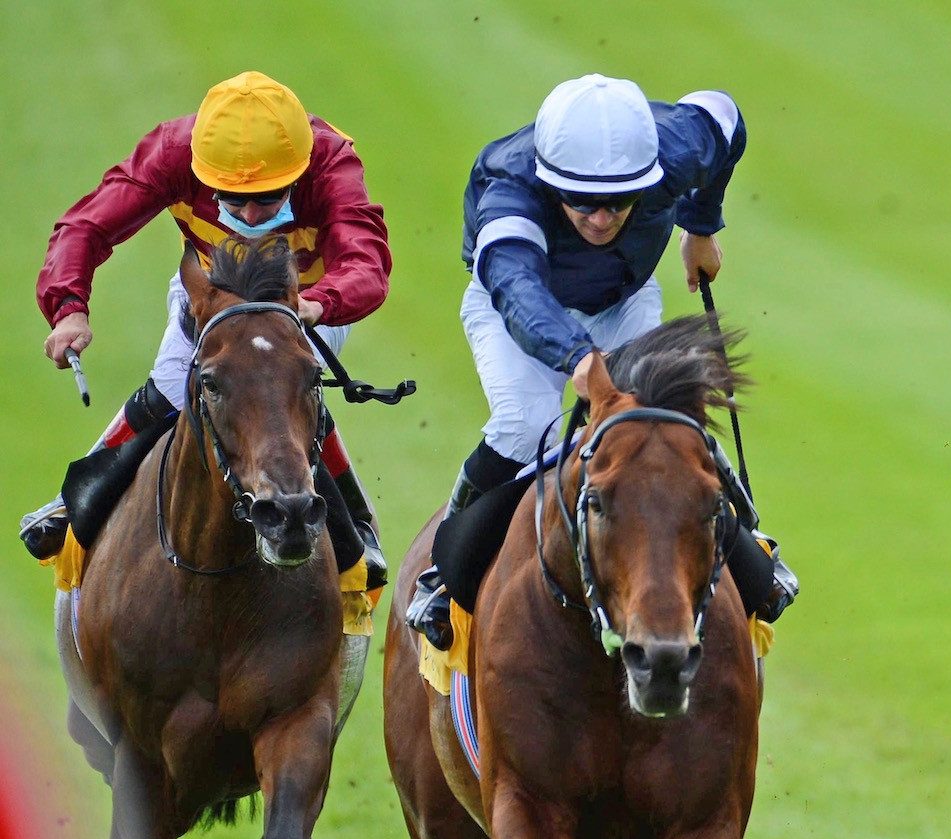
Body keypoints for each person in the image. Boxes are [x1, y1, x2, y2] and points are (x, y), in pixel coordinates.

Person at [406, 73, 796, 648]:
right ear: (549, 182)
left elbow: (725, 115)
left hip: (623, 299)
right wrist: (577, 358)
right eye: (582, 201)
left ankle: (752, 554)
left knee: (666, 424)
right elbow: (517, 292)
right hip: (518, 309)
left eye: (619, 202)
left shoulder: (678, 148)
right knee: (523, 425)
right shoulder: (508, 192)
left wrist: (701, 226)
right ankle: (446, 574)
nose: (600, 217)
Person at [22, 71, 392, 584]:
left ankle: (356, 525)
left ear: (298, 169)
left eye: (266, 197)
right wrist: (68, 306)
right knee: (174, 384)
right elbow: (87, 225)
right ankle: (75, 499)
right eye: (231, 198)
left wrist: (318, 304)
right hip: (212, 290)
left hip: (302, 298)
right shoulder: (172, 152)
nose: (248, 211)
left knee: (287, 387)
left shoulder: (329, 162)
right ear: (202, 170)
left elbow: (367, 264)